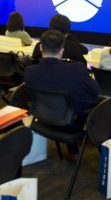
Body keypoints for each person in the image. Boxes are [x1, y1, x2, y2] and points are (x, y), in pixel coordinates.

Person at [24, 30, 100, 161]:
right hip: (71, 124)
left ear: (40, 47)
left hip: (42, 119)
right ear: (62, 50)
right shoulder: (76, 69)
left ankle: (74, 152)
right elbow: (95, 90)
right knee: (105, 107)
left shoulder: (30, 72)